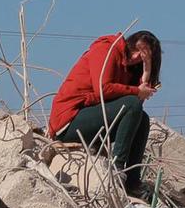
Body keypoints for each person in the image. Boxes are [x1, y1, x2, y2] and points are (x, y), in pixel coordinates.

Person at [48, 30, 163, 194]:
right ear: (130, 43)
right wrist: (136, 91)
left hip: (90, 119)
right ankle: (117, 168)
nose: (137, 56)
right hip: (68, 121)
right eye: (137, 50)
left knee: (142, 118)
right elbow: (102, 89)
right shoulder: (107, 49)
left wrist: (146, 72)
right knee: (131, 104)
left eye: (143, 56)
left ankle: (132, 182)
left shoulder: (128, 69)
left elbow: (138, 104)